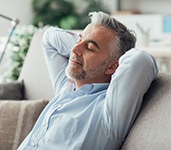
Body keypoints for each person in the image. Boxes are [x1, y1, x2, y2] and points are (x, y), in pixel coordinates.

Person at [18, 11, 158, 150]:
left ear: (112, 66)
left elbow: (140, 60)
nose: (74, 49)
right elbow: (49, 38)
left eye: (90, 48)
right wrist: (85, 47)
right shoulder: (66, 86)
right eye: (78, 40)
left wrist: (94, 52)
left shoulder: (108, 114)